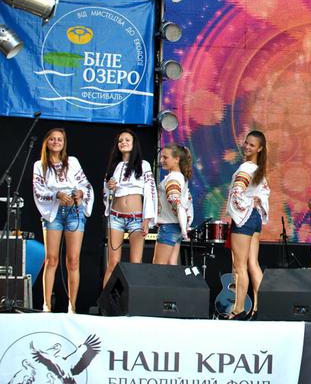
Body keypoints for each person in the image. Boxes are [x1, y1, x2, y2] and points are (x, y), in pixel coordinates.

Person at [32, 128, 94, 313]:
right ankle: (46, 305)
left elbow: (86, 185)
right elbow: (38, 190)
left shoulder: (72, 162)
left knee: (73, 260)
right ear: (47, 142)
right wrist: (56, 195)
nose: (56, 142)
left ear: (64, 143)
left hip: (74, 211)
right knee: (51, 259)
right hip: (54, 213)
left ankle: (72, 306)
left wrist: (80, 193)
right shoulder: (39, 165)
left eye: (60, 139)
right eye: (52, 139)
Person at [102, 129, 157, 287]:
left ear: (134, 144)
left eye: (127, 140)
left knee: (135, 263)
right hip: (115, 217)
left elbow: (150, 191)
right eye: (120, 141)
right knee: (113, 262)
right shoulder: (114, 166)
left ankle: (134, 299)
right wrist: (109, 187)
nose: (123, 143)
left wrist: (147, 219)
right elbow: (106, 193)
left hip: (136, 218)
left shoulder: (143, 165)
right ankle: (105, 300)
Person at [225, 130, 270, 320]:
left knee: (239, 266)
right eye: (246, 143)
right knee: (253, 264)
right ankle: (260, 308)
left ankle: (238, 309)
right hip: (255, 218)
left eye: (252, 145)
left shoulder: (245, 168)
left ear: (259, 148)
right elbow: (264, 195)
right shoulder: (258, 170)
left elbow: (237, 191)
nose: (247, 147)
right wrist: (253, 204)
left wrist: (241, 208)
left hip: (244, 219)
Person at [153, 144, 193, 265]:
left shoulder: (173, 178)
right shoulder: (180, 177)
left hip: (169, 226)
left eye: (165, 157)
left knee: (159, 266)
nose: (162, 160)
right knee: (171, 265)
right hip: (176, 226)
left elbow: (176, 203)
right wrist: (183, 226)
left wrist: (184, 228)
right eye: (161, 157)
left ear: (177, 159)